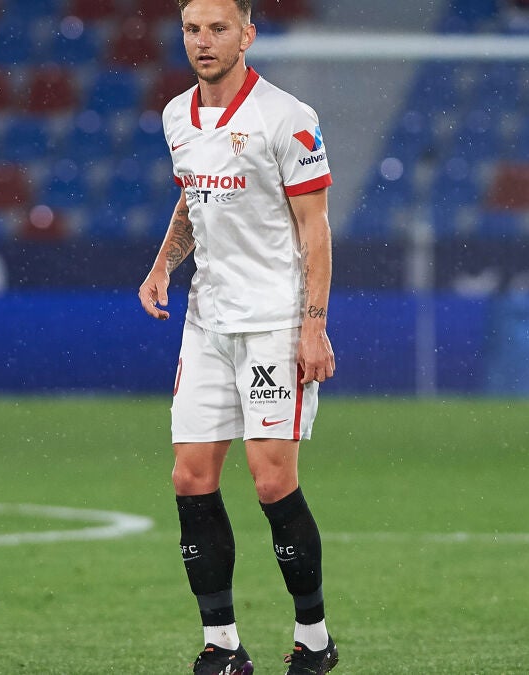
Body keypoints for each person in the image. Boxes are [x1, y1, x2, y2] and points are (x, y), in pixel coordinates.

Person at [137, 1, 338, 673]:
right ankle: (221, 644)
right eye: (192, 29)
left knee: (271, 480)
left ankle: (314, 637)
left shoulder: (288, 118)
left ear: (247, 35)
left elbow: (315, 229)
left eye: (218, 28)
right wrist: (164, 265)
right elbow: (194, 198)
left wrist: (314, 327)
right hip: (207, 322)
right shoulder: (176, 116)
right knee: (190, 476)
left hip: (274, 323)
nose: (204, 41)